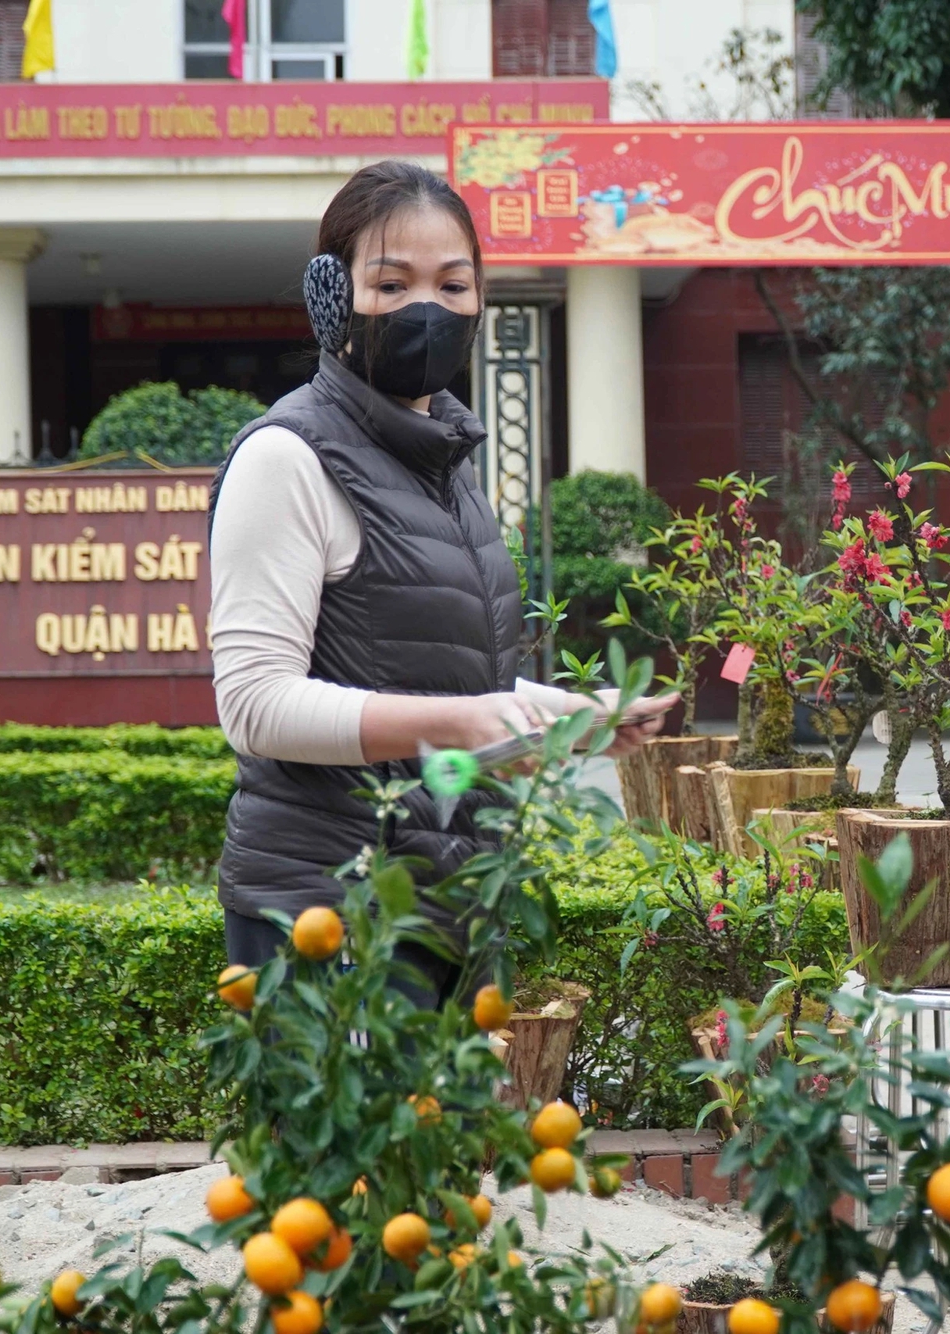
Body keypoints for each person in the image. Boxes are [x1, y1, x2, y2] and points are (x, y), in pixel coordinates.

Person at [209, 159, 675, 1004]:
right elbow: (254, 705)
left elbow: (439, 678)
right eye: (392, 283)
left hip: (452, 895)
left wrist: (558, 718)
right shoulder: (287, 458)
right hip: (330, 903)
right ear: (332, 295)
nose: (429, 308)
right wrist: (463, 721)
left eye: (454, 283)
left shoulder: (447, 463)